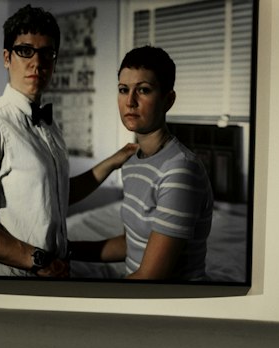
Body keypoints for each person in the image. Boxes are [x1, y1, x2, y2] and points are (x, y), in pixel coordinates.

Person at [0, 6, 136, 277]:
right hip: (10, 280)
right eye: (25, 50)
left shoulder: (50, 126)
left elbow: (58, 194)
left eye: (46, 53)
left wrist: (113, 162)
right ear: (6, 58)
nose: (37, 63)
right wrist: (38, 260)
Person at [69, 46, 213, 281]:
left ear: (168, 100)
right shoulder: (132, 162)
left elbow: (149, 278)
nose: (130, 101)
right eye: (123, 90)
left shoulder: (180, 171)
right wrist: (66, 250)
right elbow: (130, 244)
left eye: (143, 90)